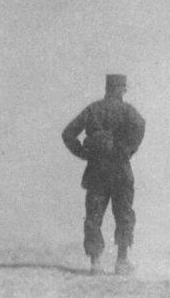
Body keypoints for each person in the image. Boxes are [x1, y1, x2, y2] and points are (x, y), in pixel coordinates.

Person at [62, 74, 146, 275]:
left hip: (96, 170)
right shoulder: (128, 111)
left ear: (107, 88)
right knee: (124, 215)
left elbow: (68, 133)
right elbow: (140, 125)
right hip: (120, 170)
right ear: (122, 89)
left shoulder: (93, 109)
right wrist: (127, 150)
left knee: (94, 215)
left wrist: (83, 153)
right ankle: (122, 261)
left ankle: (96, 263)